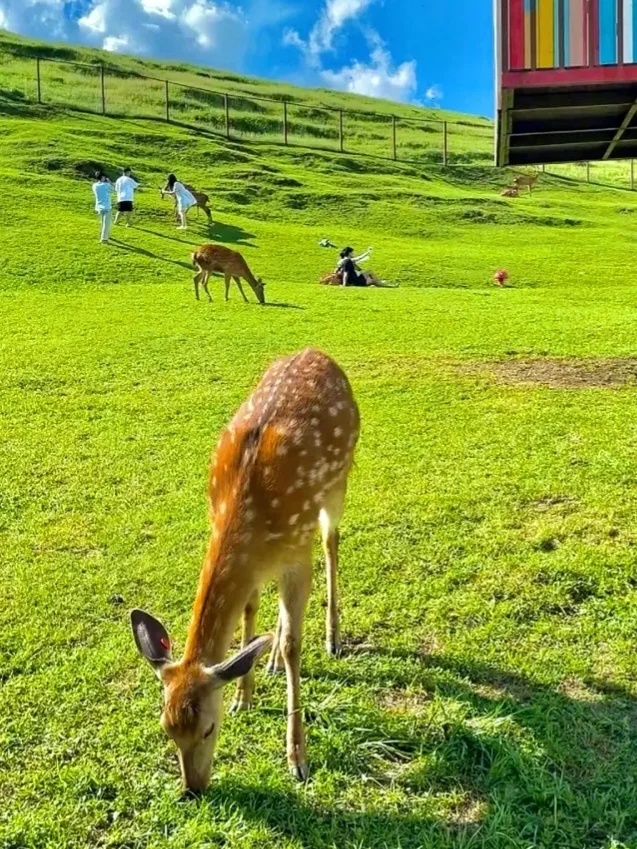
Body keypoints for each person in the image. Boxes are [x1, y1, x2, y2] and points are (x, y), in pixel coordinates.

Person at [92, 172, 115, 244]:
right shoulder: (106, 185)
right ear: (102, 177)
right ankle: (104, 238)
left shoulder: (94, 185)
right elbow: (114, 189)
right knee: (106, 223)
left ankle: (103, 234)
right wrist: (109, 181)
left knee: (102, 222)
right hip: (106, 206)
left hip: (99, 206)